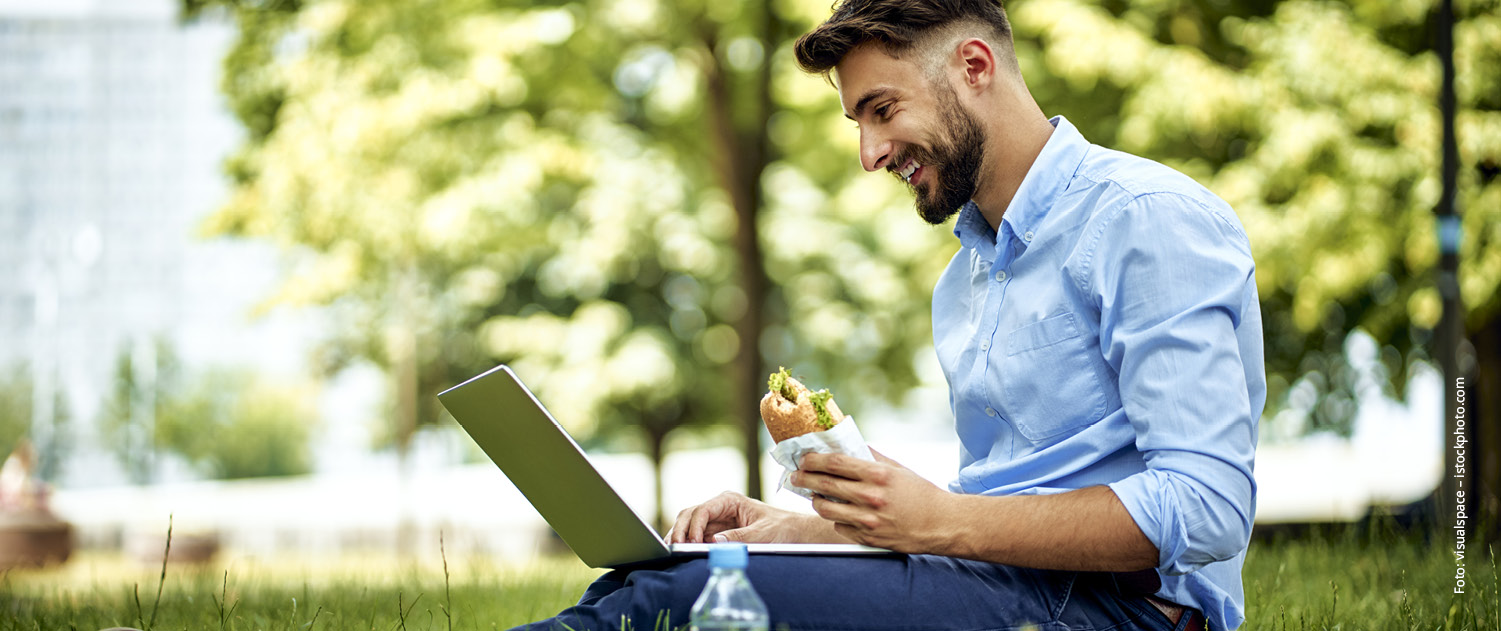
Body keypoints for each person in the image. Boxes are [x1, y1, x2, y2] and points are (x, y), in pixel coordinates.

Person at [515, 0, 1263, 629]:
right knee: (640, 584)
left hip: (1123, 612)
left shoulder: (1146, 220)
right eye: (857, 122)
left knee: (678, 605)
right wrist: (797, 531)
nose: (870, 153)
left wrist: (941, 519)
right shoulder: (963, 278)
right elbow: (996, 516)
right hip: (1011, 584)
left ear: (974, 67)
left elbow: (1207, 506)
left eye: (882, 109)